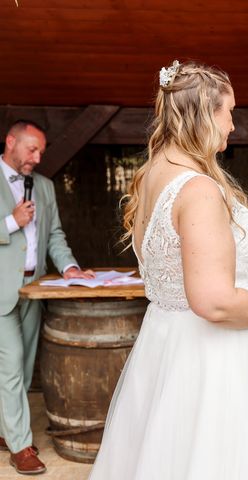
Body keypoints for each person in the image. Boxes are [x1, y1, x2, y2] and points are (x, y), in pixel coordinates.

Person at [88, 61, 248, 480]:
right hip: (216, 360)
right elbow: (214, 301)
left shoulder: (154, 175)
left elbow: (193, 250)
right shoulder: (199, 189)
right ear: (205, 114)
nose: (233, 125)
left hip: (169, 347)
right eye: (230, 112)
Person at [0, 120, 94, 475]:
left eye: (40, 151)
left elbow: (54, 234)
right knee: (10, 368)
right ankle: (21, 447)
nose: (37, 158)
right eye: (31, 149)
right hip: (0, 290)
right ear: (10, 142)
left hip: (34, 289)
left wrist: (69, 267)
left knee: (23, 370)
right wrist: (10, 222)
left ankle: (6, 430)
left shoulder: (45, 187)